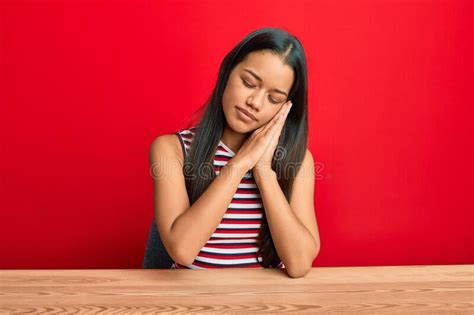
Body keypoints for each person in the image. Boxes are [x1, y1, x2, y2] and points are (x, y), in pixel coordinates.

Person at [149, 27, 320, 278]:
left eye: (274, 99)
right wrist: (240, 164)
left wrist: (263, 172)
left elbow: (299, 264)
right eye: (249, 83)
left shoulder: (299, 161)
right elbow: (182, 250)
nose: (256, 102)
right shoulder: (172, 150)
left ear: (285, 108)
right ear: (227, 73)